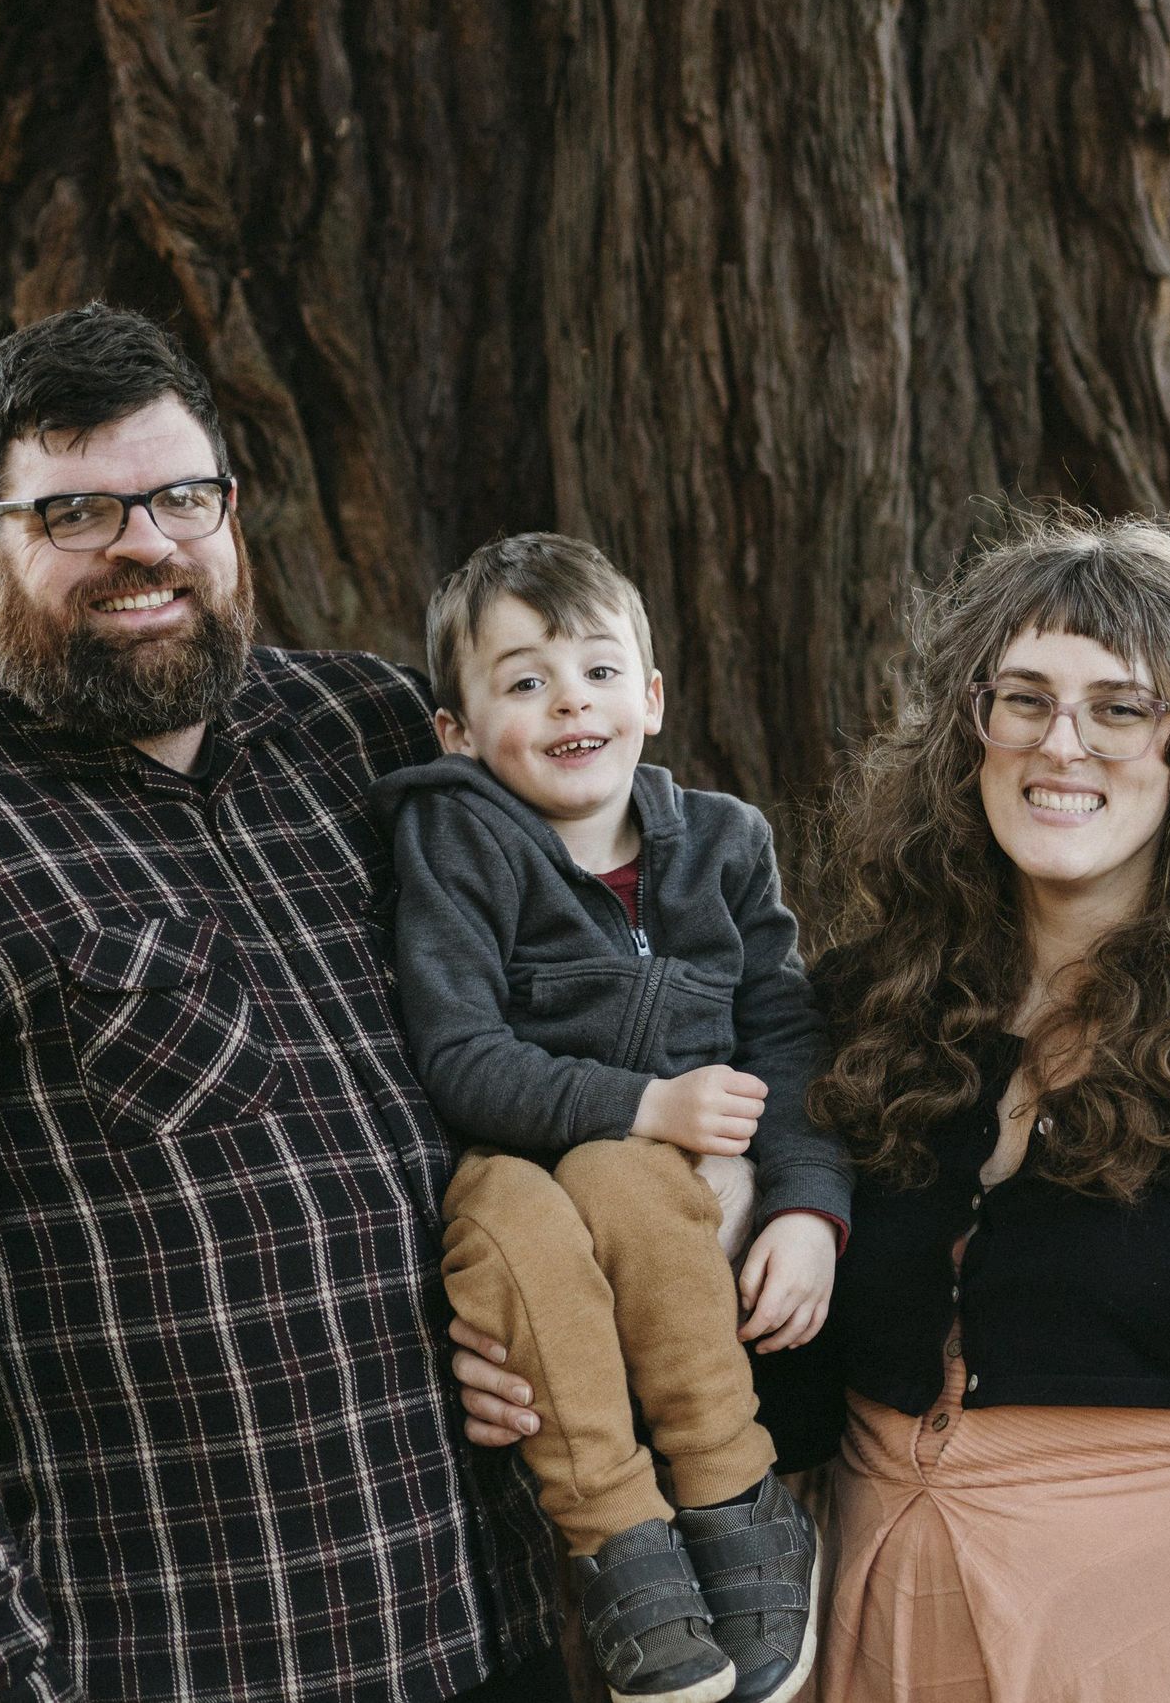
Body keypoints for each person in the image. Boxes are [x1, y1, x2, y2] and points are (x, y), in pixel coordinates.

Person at [455, 514, 1170, 1703]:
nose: (1061, 743)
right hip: (880, 1640)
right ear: (970, 730)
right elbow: (783, 1386)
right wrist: (557, 1348)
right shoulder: (861, 1021)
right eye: (1022, 699)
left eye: (1121, 706)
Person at [0, 304, 564, 1703]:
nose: (146, 543)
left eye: (182, 496)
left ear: (229, 512)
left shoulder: (370, 735)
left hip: (498, 1629)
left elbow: (577, 991)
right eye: (77, 511)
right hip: (182, 1661)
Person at [368, 534, 853, 1703]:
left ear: (651, 695)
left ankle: (737, 1503)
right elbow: (461, 1052)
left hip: (671, 1204)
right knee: (540, 1202)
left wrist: (806, 1207)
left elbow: (787, 1040)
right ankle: (619, 1546)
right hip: (518, 1166)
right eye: (524, 680)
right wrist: (647, 1102)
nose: (568, 700)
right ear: (460, 731)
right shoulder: (457, 839)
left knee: (631, 1181)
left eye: (596, 669)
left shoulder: (726, 845)